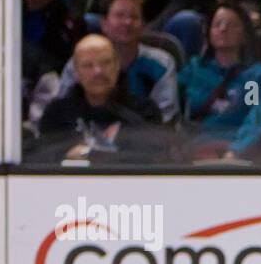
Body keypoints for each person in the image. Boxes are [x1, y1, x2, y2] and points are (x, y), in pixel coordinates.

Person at [36, 34, 167, 165]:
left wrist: (88, 154)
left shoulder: (145, 111)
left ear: (117, 66)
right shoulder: (57, 114)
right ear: (76, 72)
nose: (98, 71)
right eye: (88, 65)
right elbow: (46, 156)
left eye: (106, 63)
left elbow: (151, 157)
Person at [57, 0, 180, 123]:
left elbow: (165, 118)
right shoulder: (81, 60)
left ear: (143, 25)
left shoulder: (162, 63)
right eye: (119, 15)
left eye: (134, 17)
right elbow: (63, 108)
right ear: (104, 24)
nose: (127, 22)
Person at [178, 2, 261, 160]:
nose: (223, 29)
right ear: (209, 32)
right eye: (217, 24)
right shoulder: (194, 69)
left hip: (235, 149)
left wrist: (237, 150)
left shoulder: (253, 77)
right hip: (193, 148)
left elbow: (257, 114)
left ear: (244, 35)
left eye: (231, 25)